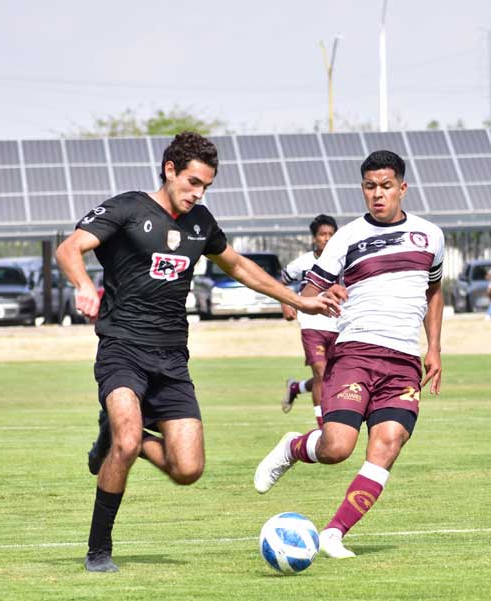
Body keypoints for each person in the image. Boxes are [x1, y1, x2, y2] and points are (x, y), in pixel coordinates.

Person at [57, 132, 341, 572]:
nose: (198, 193)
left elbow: (239, 265)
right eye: (192, 182)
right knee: (130, 440)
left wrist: (298, 298)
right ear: (169, 169)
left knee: (187, 469)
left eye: (206, 186)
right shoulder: (128, 208)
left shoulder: (200, 223)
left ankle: (114, 439)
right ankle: (99, 549)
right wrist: (82, 286)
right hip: (122, 349)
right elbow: (69, 247)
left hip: (172, 359)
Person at [252, 150, 444, 560]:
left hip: (405, 362)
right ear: (363, 189)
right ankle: (293, 447)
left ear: (402, 188)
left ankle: (334, 533)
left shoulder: (431, 236)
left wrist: (435, 349)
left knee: (388, 444)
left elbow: (434, 291)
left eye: (386, 186)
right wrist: (323, 294)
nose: (378, 194)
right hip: (356, 352)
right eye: (370, 187)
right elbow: (306, 295)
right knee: (337, 447)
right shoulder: (346, 237)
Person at [280, 214, 340, 426]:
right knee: (321, 373)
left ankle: (295, 387)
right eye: (322, 234)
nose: (326, 238)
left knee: (332, 377)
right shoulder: (304, 262)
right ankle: (322, 426)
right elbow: (281, 280)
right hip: (312, 325)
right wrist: (286, 303)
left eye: (331, 235)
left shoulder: (343, 261)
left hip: (338, 325)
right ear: (314, 238)